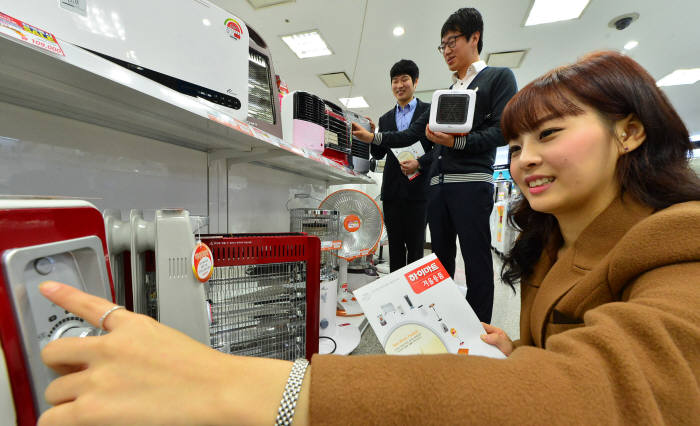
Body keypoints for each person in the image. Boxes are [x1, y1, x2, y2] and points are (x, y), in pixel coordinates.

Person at [37, 51, 700, 425]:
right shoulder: (551, 243)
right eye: (517, 141)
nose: (524, 158)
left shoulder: (683, 250)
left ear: (631, 131)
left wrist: (247, 388)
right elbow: (580, 345)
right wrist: (519, 348)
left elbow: (611, 395)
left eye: (549, 135)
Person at [353, 8, 518, 323]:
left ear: (475, 38)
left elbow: (502, 131)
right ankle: (442, 321)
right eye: (442, 45)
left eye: (452, 41)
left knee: (475, 258)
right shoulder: (449, 92)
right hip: (436, 187)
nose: (446, 51)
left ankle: (478, 329)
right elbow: (416, 135)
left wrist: (455, 143)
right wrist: (376, 138)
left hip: (470, 183)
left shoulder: (497, 78)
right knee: (440, 261)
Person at [371, 59, 433, 272]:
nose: (399, 85)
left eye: (404, 79)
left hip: (419, 192)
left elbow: (438, 151)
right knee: (394, 248)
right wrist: (372, 136)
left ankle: (415, 299)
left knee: (416, 249)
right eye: (395, 81)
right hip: (392, 193)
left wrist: (420, 163)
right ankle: (397, 296)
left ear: (415, 82)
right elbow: (378, 153)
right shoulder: (385, 118)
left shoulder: (429, 112)